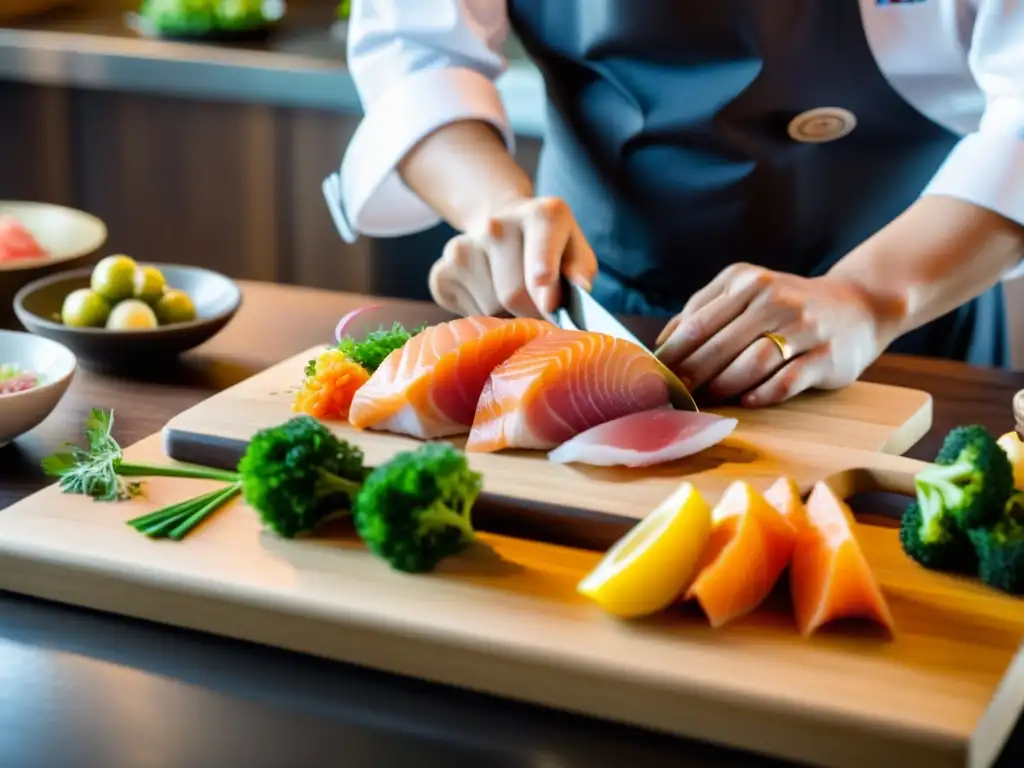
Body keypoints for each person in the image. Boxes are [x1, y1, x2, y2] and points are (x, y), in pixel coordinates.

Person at [323, 0, 1024, 407]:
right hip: (607, 305)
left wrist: (869, 297)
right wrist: (498, 211)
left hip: (915, 318)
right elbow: (417, 50)